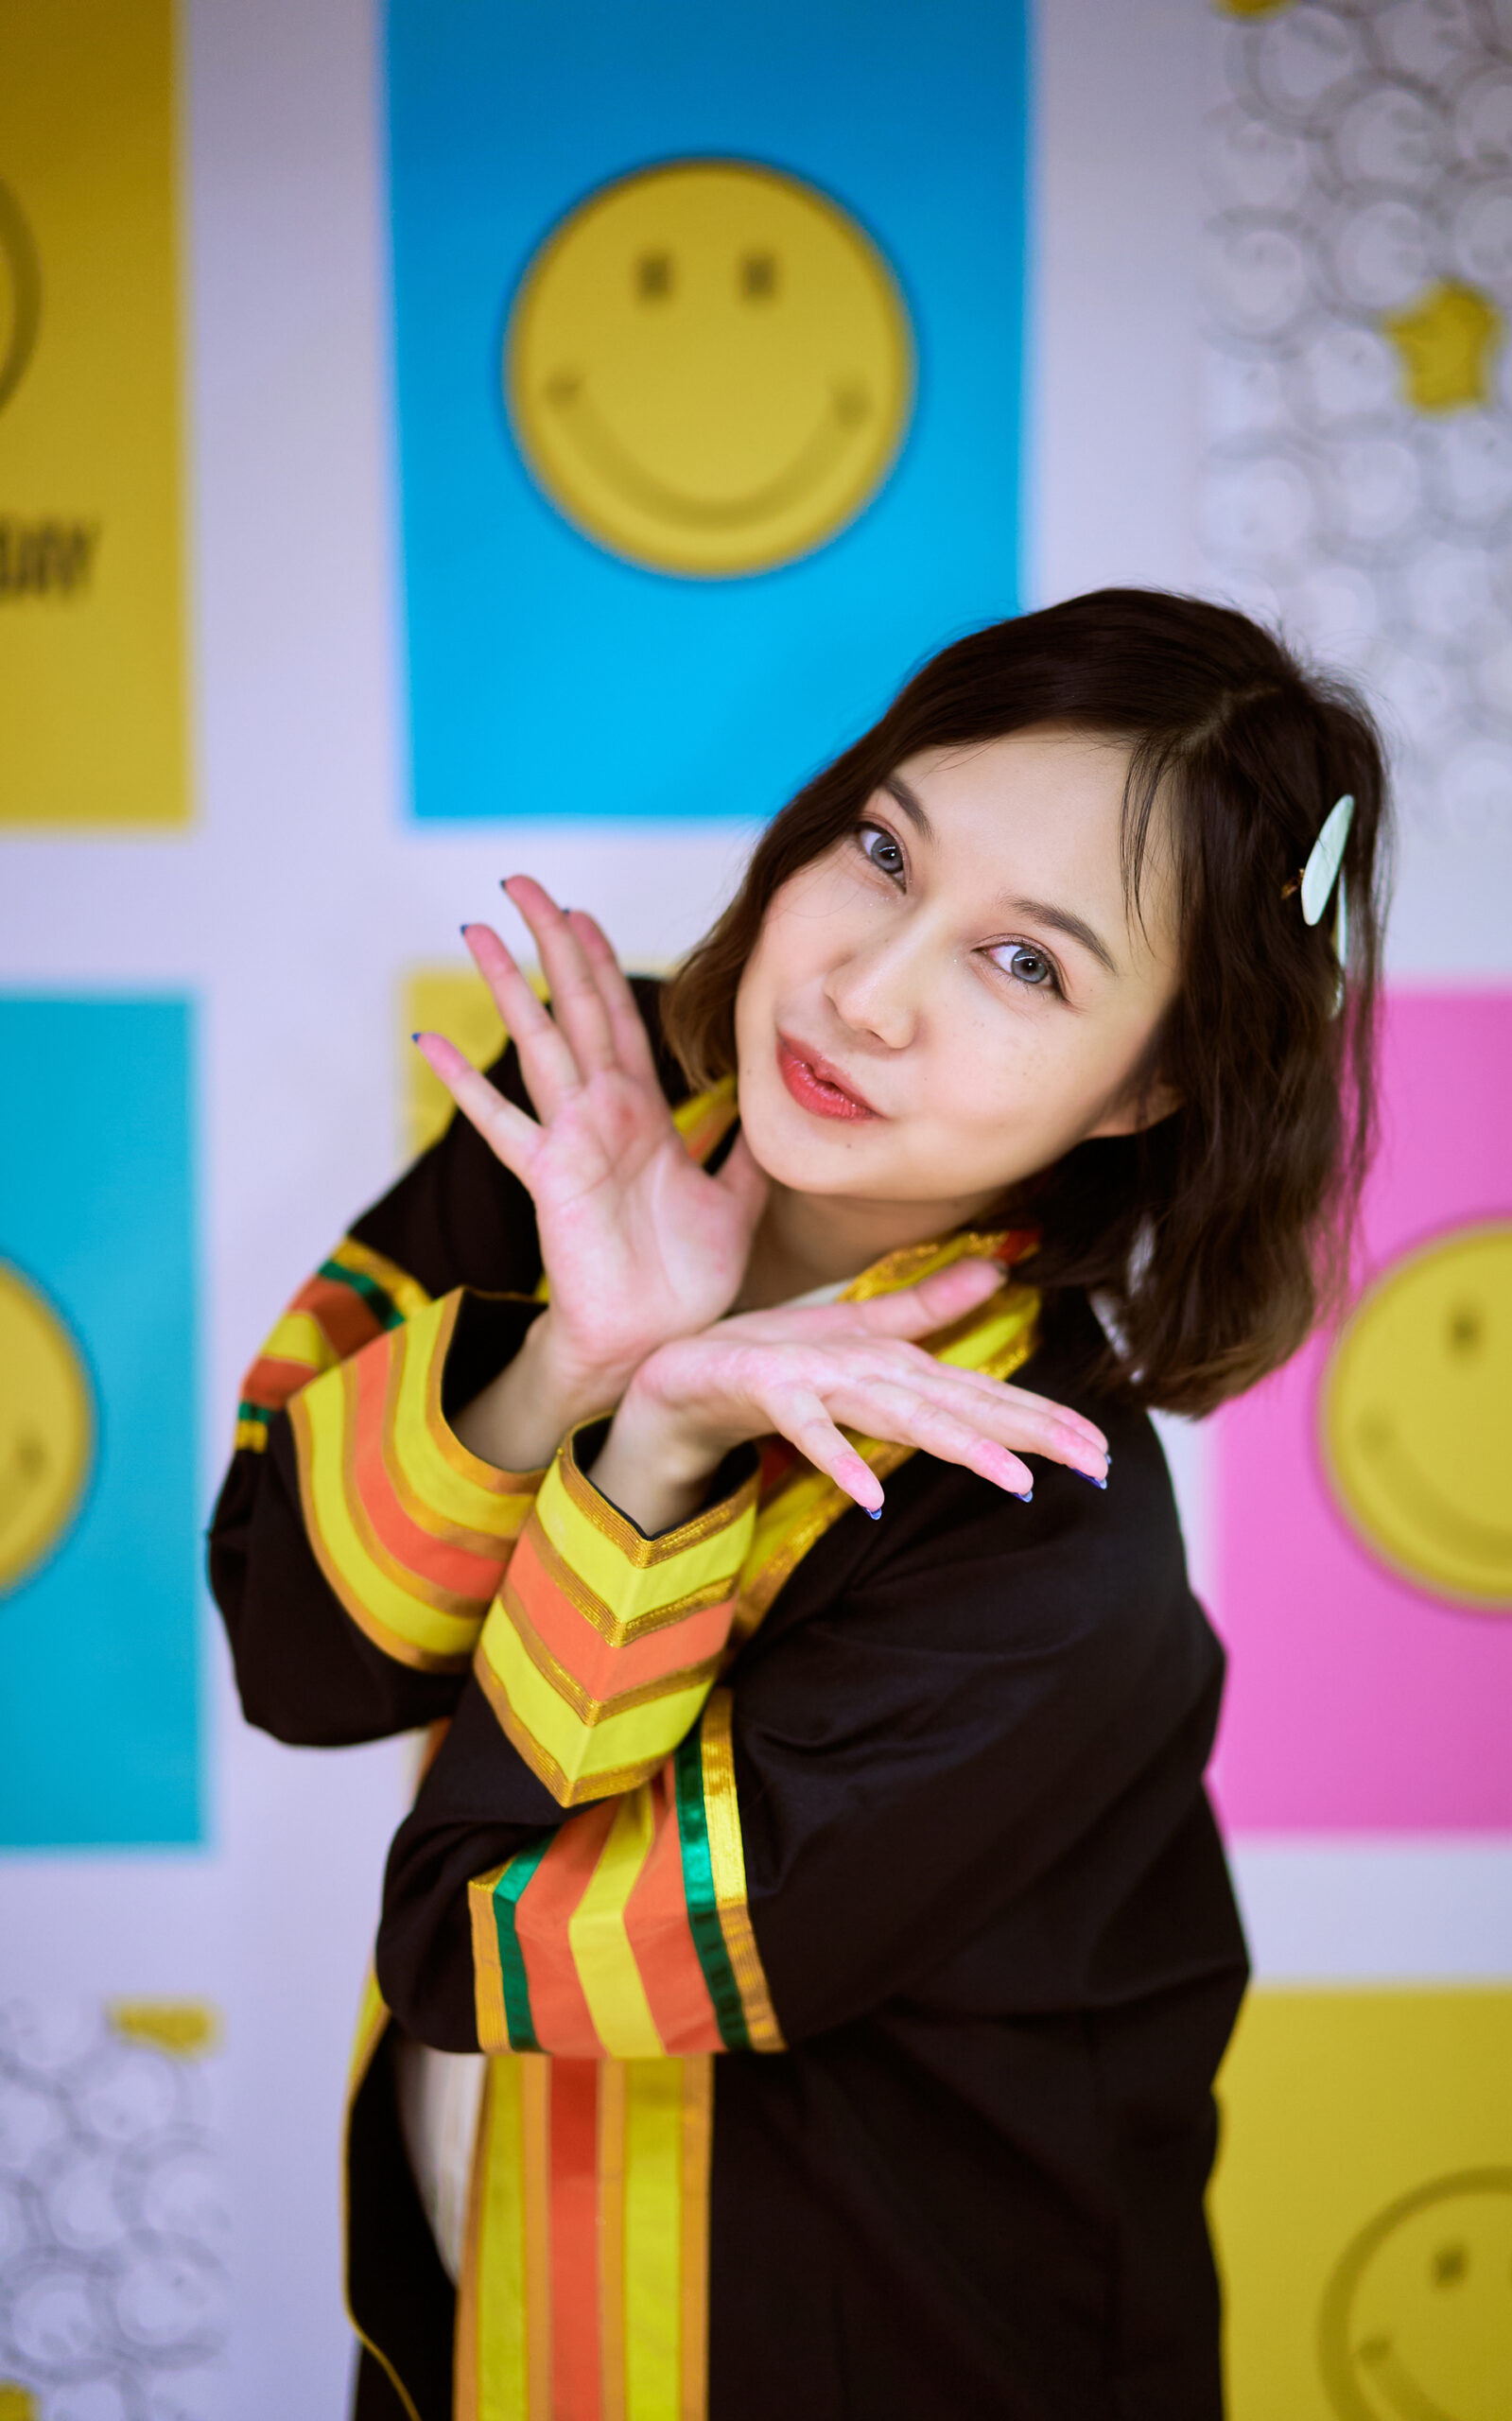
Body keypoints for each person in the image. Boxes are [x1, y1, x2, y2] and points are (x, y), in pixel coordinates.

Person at [208, 589, 1388, 2421]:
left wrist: (652, 1454)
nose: (864, 989)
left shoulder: (1044, 1545)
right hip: (485, 2318)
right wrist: (566, 1365)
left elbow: (483, 1943)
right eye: (884, 852)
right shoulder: (584, 1130)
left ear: (1150, 1085)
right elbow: (294, 1652)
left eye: (1026, 966)